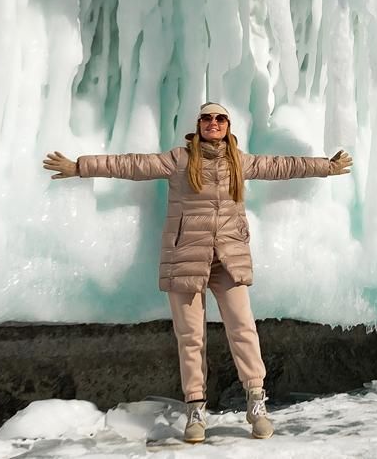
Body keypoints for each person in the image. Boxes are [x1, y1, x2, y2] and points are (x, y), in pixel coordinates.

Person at [42, 102, 353, 442]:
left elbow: (281, 166)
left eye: (220, 118)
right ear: (199, 124)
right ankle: (195, 411)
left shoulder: (240, 161)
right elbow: (131, 164)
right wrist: (79, 166)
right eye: (207, 118)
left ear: (228, 125)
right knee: (191, 338)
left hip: (228, 259)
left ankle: (255, 403)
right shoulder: (179, 159)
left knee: (244, 329)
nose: (213, 123)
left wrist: (328, 167)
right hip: (185, 258)